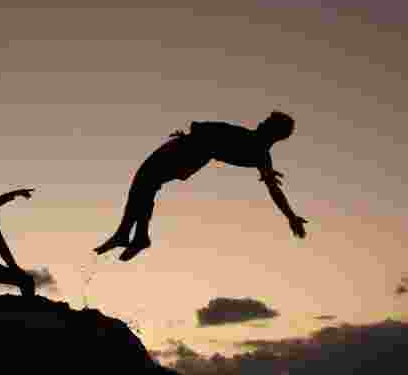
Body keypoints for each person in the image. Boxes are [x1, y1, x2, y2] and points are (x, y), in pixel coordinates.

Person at [94, 111, 309, 262]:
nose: (261, 123)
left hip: (187, 152)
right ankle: (134, 235)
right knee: (146, 186)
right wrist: (290, 216)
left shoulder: (253, 145)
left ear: (274, 134)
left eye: (267, 123)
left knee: (144, 182)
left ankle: (131, 235)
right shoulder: (261, 157)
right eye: (264, 121)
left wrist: (188, 136)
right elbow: (274, 189)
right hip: (191, 154)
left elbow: (274, 189)